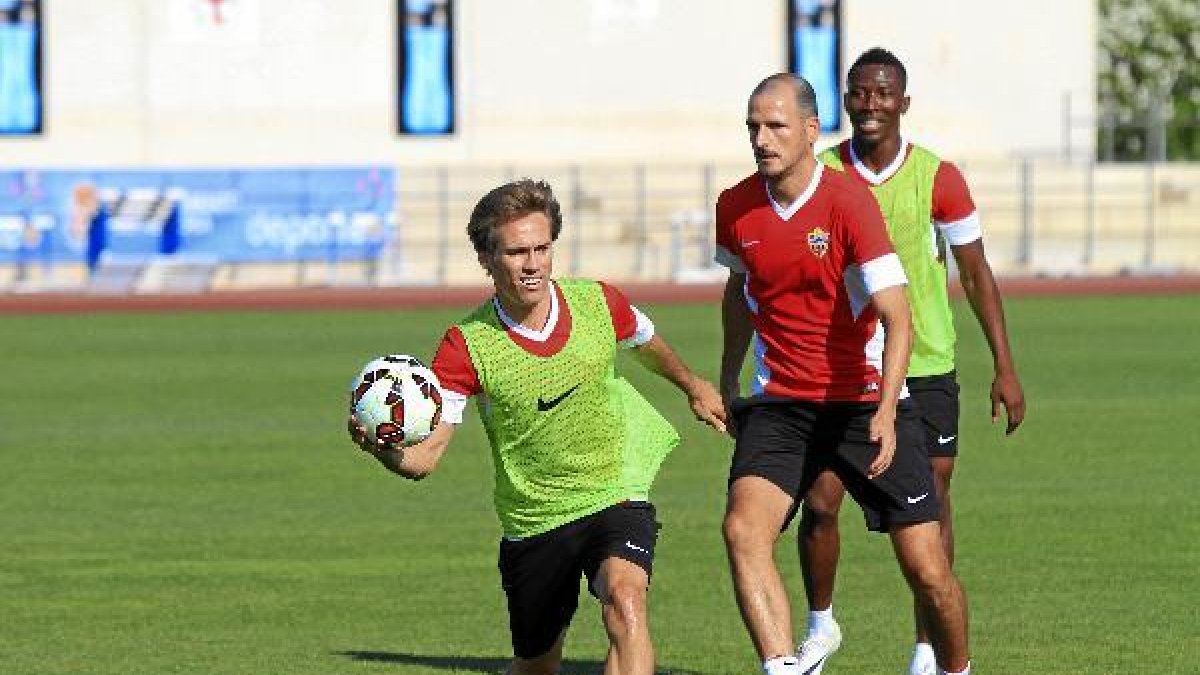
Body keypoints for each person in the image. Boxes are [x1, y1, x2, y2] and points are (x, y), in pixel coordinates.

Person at [349, 178, 727, 675]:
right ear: (487, 259)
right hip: (536, 517)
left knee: (626, 604)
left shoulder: (598, 302)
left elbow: (645, 339)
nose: (532, 264)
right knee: (538, 664)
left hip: (615, 486)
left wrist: (691, 384)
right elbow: (425, 459)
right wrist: (381, 449)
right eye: (516, 252)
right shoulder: (467, 346)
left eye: (541, 248)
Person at [716, 73, 972, 675]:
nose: (761, 138)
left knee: (928, 570)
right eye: (752, 125)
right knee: (742, 531)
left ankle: (958, 671)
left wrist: (886, 411)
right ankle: (782, 666)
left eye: (775, 125)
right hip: (780, 403)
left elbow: (897, 316)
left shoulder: (848, 201)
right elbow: (737, 290)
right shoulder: (734, 206)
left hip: (862, 401)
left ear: (810, 131)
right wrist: (729, 377)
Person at [796, 48, 1026, 675]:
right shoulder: (818, 174)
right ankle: (819, 628)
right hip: (841, 369)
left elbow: (975, 274)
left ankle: (928, 647)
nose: (870, 104)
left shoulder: (937, 176)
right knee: (819, 500)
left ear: (903, 102)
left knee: (933, 504)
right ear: (845, 99)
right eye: (860, 93)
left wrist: (1004, 366)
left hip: (923, 365)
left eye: (882, 93)